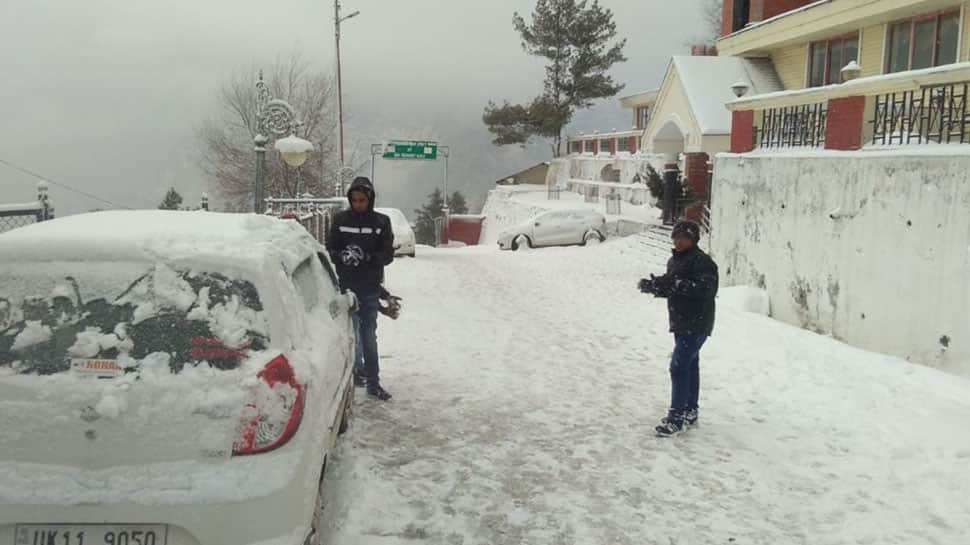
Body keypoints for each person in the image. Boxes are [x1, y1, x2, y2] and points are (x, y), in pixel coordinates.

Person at [638, 220, 719, 436]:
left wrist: (676, 285)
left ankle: (677, 418)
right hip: (681, 322)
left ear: (693, 239)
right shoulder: (675, 261)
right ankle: (690, 409)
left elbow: (706, 289)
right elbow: (672, 286)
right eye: (676, 237)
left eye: (684, 237)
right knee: (690, 365)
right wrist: (655, 286)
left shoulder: (703, 262)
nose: (679, 241)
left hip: (697, 322)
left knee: (678, 366)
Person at [326, 176, 395, 401]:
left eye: (362, 200)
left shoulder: (381, 223)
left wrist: (366, 257)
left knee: (368, 335)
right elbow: (330, 249)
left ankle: (373, 383)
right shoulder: (340, 219)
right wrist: (343, 257)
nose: (358, 204)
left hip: (369, 287)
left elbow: (387, 255)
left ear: (370, 199)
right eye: (354, 200)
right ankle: (354, 373)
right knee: (350, 333)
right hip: (346, 287)